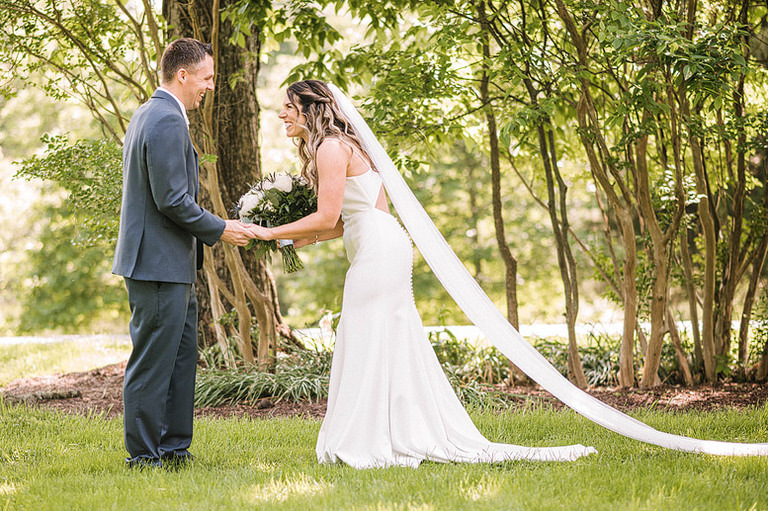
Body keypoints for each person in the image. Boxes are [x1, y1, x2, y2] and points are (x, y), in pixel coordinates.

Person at [246, 80, 596, 468]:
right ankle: (388, 430)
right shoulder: (342, 146)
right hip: (381, 243)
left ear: (312, 110)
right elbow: (342, 224)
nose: (281, 114)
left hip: (378, 249)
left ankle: (368, 439)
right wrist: (289, 242)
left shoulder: (330, 147)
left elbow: (328, 216)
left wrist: (269, 231)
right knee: (377, 336)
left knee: (366, 335)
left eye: (289, 107)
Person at [113, 37, 256, 469]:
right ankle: (143, 456)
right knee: (154, 361)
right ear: (183, 74)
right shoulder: (166, 120)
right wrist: (221, 229)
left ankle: (174, 449)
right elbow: (172, 200)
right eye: (207, 77)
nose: (210, 86)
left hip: (170, 262)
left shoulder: (149, 113)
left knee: (179, 359)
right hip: (156, 264)